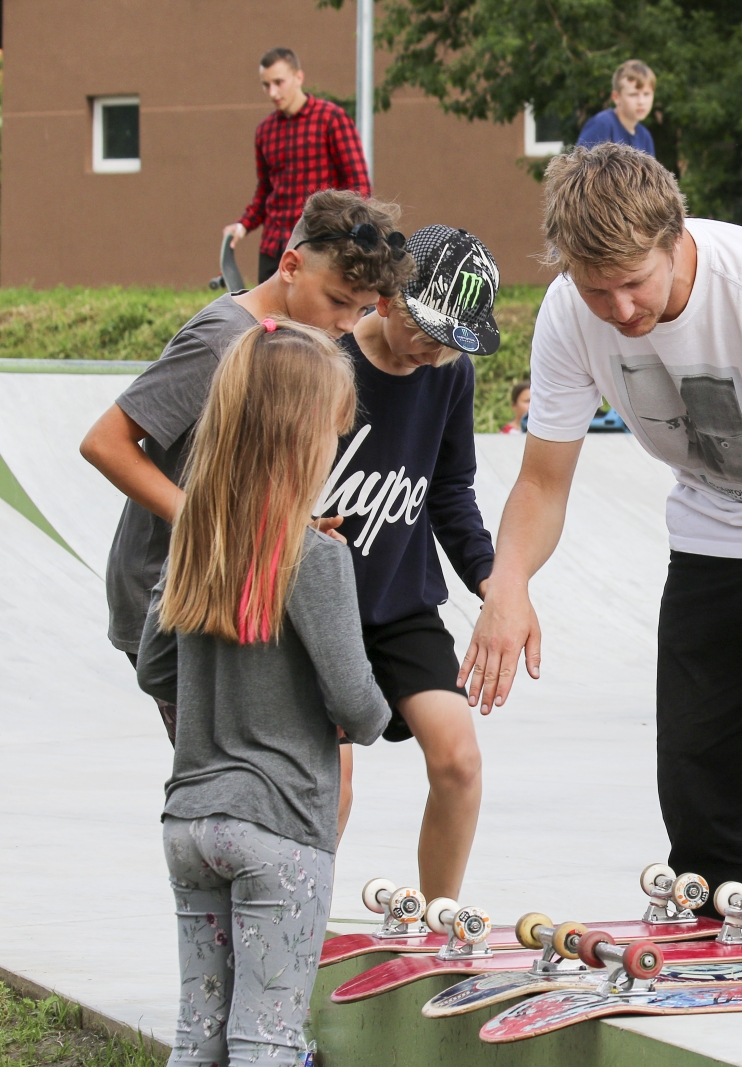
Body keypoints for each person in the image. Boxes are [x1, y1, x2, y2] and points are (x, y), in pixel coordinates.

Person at [459, 144, 742, 920]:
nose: (621, 311)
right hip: (714, 520)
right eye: (597, 290)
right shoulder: (572, 311)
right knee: (697, 765)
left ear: (676, 239)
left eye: (634, 284)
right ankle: (724, 924)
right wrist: (508, 583)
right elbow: (541, 480)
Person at [82, 189, 408, 770]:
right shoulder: (220, 339)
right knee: (242, 776)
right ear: (289, 265)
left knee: (324, 767)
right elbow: (105, 443)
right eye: (337, 300)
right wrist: (210, 522)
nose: (344, 323)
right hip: (174, 588)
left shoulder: (291, 342)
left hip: (233, 578)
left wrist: (285, 525)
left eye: (360, 311)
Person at [137, 320, 391, 1067]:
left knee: (200, 1036)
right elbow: (359, 706)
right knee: (267, 1040)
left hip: (189, 821)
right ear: (304, 436)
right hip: (279, 825)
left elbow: (155, 667)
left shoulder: (194, 538)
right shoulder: (313, 556)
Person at [317, 225, 501, 900]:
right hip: (311, 608)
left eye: (453, 339)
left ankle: (439, 920)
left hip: (400, 601)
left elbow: (452, 491)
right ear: (387, 299)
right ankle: (291, 925)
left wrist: (493, 581)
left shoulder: (449, 374)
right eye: (427, 330)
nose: (435, 350)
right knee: (329, 785)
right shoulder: (325, 358)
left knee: (458, 758)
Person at [224, 47, 373, 285]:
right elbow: (264, 191)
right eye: (266, 85)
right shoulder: (265, 131)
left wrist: (346, 237)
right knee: (270, 320)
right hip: (274, 248)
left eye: (278, 82)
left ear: (299, 77)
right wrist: (242, 225)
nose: (272, 92)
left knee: (313, 321)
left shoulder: (331, 119)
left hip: (317, 245)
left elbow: (359, 187)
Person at [576, 60, 657, 157]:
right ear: (616, 97)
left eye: (646, 94)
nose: (641, 101)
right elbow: (580, 168)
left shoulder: (645, 137)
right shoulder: (601, 125)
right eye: (633, 94)